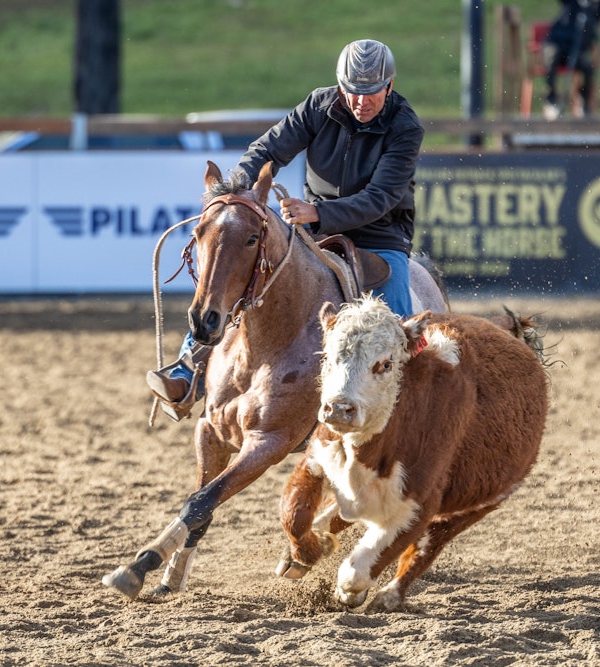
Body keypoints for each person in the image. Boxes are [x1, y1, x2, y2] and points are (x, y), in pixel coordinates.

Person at [146, 38, 425, 421]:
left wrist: (318, 212)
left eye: (371, 93)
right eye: (352, 92)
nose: (361, 101)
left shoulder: (406, 126)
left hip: (380, 236)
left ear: (389, 86)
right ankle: (186, 372)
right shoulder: (318, 105)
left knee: (397, 318)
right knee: (238, 273)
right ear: (340, 85)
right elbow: (268, 150)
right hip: (314, 228)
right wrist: (237, 193)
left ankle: (409, 400)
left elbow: (381, 197)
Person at [542, 0, 600, 120]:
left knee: (588, 68)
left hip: (575, 50)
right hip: (557, 43)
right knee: (551, 57)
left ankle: (583, 103)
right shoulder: (571, 3)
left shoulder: (594, 8)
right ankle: (551, 100)